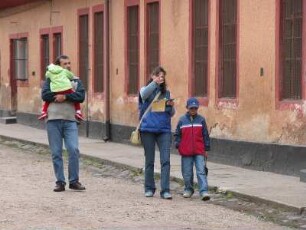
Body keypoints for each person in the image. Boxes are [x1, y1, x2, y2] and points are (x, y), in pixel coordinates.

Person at [41, 55, 86, 192]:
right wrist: (58, 96)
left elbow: (81, 96)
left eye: (69, 63)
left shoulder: (76, 80)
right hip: (53, 120)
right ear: (58, 66)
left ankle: (74, 181)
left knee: (73, 149)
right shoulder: (50, 79)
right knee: (56, 152)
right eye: (64, 63)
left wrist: (65, 96)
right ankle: (60, 182)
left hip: (70, 120)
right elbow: (45, 95)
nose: (68, 65)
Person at [139, 66, 175, 199]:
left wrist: (171, 107)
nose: (161, 78)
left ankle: (165, 190)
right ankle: (149, 188)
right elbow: (143, 95)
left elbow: (171, 113)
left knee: (165, 160)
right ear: (152, 76)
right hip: (147, 129)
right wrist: (154, 83)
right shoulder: (145, 90)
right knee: (150, 160)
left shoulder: (166, 93)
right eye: (158, 75)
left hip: (164, 130)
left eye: (162, 76)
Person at [174, 97, 211, 201]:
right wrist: (178, 145)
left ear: (197, 108)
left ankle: (203, 191)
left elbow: (205, 135)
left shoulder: (201, 120)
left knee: (201, 171)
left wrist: (206, 149)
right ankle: (188, 189)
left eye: (195, 108)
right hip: (186, 151)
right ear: (187, 108)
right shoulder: (182, 120)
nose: (193, 110)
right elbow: (177, 134)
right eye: (191, 108)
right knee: (187, 172)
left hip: (199, 150)